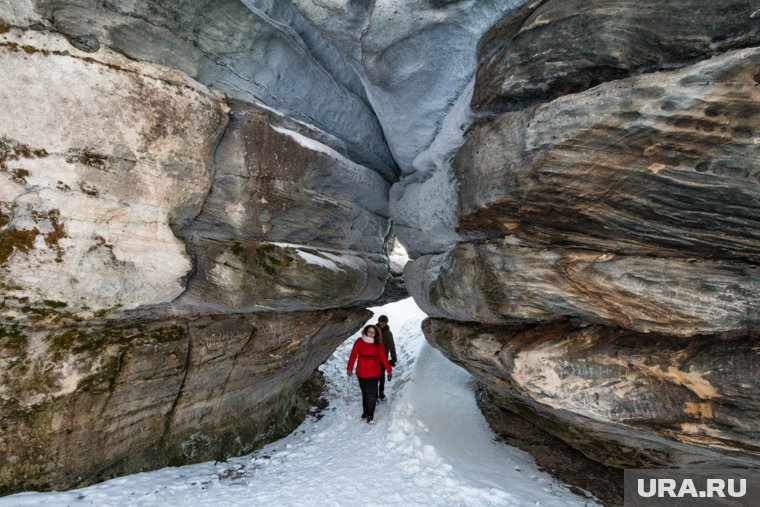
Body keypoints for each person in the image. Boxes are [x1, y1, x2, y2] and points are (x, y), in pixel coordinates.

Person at [347, 324, 392, 424]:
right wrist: (349, 368)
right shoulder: (359, 341)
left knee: (371, 394)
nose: (371, 334)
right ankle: (365, 411)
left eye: (373, 332)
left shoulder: (378, 344)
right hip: (361, 372)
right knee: (365, 393)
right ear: (366, 332)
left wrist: (389, 370)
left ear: (376, 333)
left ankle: (370, 415)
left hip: (374, 372)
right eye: (369, 332)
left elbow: (383, 358)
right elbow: (353, 355)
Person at [376, 315, 397, 400]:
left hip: (383, 358)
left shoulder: (389, 334)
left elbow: (392, 346)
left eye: (384, 322)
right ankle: (374, 395)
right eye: (381, 322)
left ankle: (381, 393)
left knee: (381, 377)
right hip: (373, 358)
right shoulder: (373, 331)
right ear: (379, 321)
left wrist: (394, 358)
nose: (382, 324)